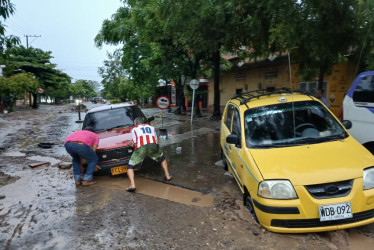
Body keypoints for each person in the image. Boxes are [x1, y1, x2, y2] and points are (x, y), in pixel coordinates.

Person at [126, 117, 172, 192]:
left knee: (130, 166)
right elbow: (156, 141)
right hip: (153, 146)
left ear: (135, 124)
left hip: (141, 148)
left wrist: (129, 144)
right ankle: (167, 176)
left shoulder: (134, 129)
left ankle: (132, 185)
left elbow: (134, 144)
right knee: (162, 158)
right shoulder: (151, 127)